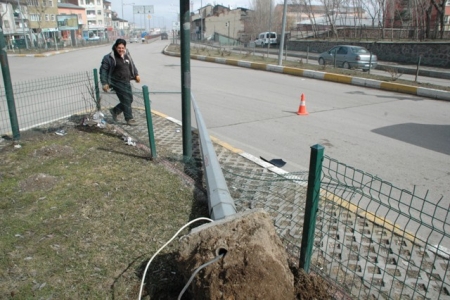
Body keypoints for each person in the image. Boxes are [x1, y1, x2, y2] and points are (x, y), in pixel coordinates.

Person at [100, 38, 140, 126]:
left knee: (130, 99)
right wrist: (104, 83)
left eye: (122, 48)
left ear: (125, 48)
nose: (121, 49)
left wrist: (136, 74)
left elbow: (132, 65)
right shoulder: (109, 57)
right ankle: (129, 118)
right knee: (126, 100)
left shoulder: (127, 55)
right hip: (116, 82)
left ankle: (114, 111)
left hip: (126, 81)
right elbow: (103, 71)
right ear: (115, 47)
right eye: (119, 48)